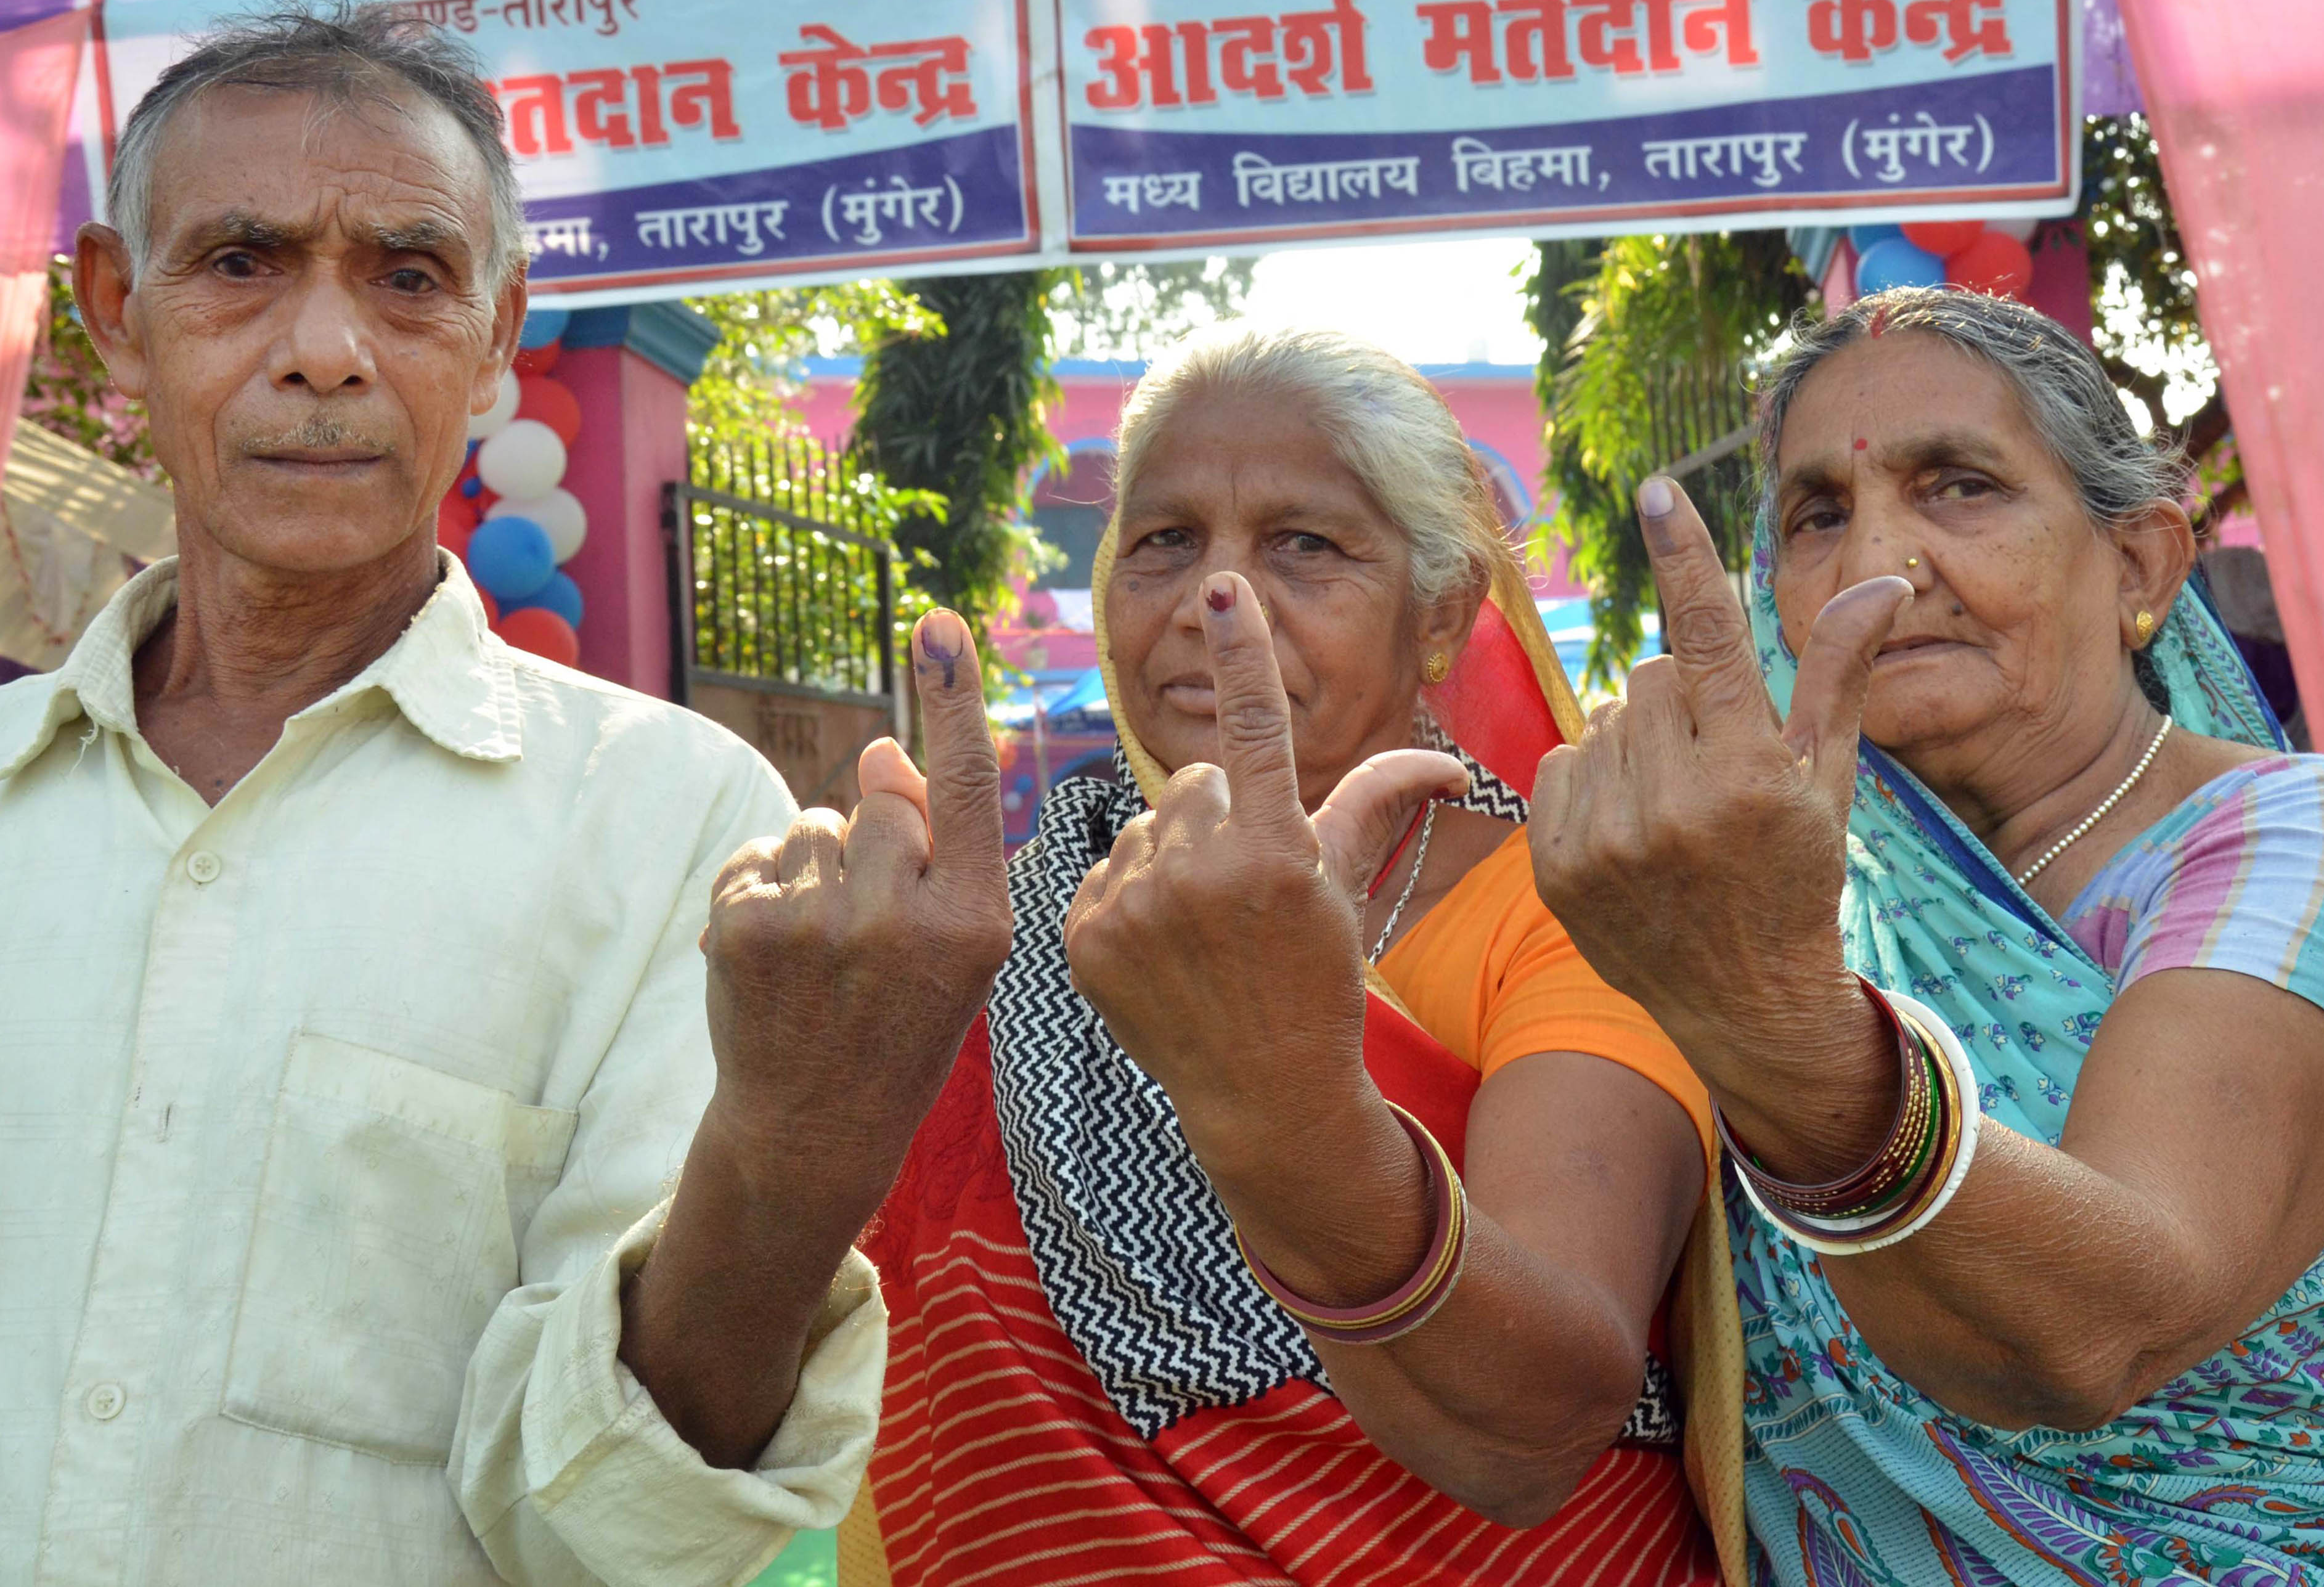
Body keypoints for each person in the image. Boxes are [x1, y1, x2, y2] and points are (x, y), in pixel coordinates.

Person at [0, 2, 987, 1583]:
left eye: (406, 277)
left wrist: (795, 1161)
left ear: (492, 337)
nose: (325, 347)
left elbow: (618, 1523)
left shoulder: (673, 828)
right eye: (242, 260)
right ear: (118, 307)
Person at [1530, 286, 2324, 1585]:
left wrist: (1773, 1025)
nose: (1877, 563)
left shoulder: (2311, 842)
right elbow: (1530, 1408)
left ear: (2138, 564)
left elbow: (2097, 1332)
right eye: (1819, 515)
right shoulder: (1776, 897)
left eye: (1960, 486)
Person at [727, 327, 1741, 1586]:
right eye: (1164, 541)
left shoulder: (1566, 902)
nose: (1220, 595)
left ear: (1440, 614)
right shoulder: (999, 920)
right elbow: (750, 1379)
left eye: (1303, 545)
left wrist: (1278, 1095)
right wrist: (783, 1105)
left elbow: (1537, 1426)